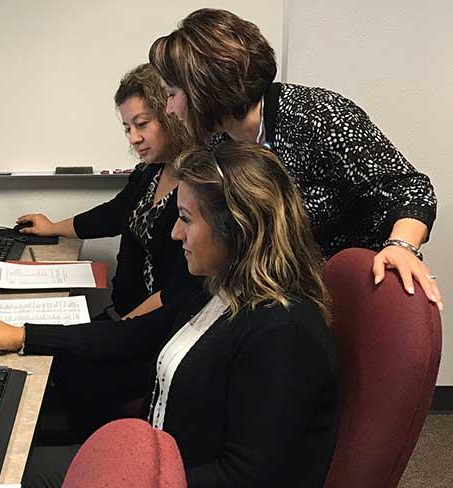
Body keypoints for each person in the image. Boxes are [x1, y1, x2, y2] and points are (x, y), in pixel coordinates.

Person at [0, 142, 338, 487]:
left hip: (164, 477)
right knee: (0, 467)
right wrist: (24, 335)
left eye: (186, 219)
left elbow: (248, 478)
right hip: (148, 462)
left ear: (236, 228)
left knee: (4, 474)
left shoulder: (282, 334)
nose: (175, 234)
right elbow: (133, 334)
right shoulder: (220, 289)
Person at [148, 8, 442, 311]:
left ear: (203, 88)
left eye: (172, 94)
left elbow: (409, 188)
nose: (169, 109)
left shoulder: (317, 116)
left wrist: (401, 246)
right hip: (282, 300)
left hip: (352, 300)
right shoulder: (223, 145)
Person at [16, 63, 197, 319]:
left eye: (142, 124)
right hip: (123, 318)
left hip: (151, 330)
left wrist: (114, 332)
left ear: (170, 115)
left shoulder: (197, 188)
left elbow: (179, 290)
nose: (133, 138)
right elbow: (114, 214)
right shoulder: (152, 172)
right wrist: (53, 227)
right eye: (127, 128)